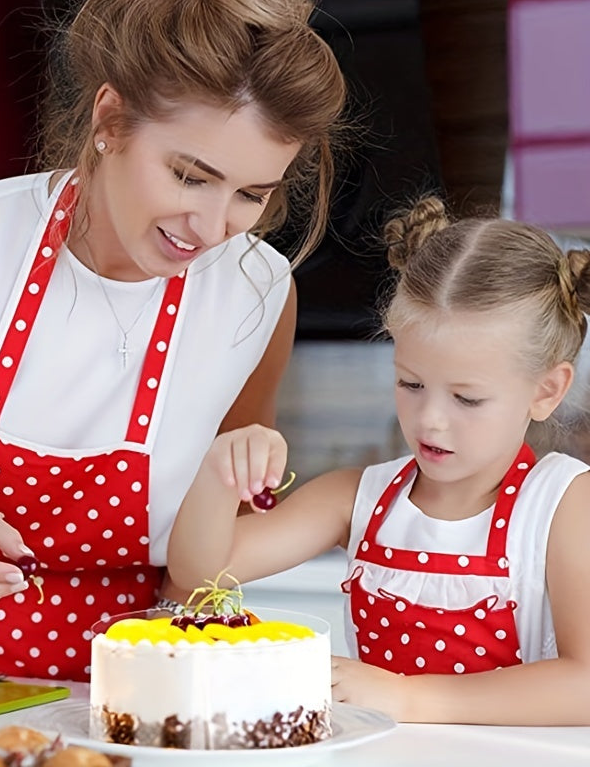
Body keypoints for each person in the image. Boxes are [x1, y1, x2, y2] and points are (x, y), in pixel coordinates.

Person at [0, 0, 346, 682]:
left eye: (251, 194)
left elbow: (216, 553)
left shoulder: (257, 293)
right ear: (109, 121)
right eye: (189, 176)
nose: (214, 226)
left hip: (127, 703)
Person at [168, 197, 590, 725]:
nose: (430, 420)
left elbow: (585, 683)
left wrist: (410, 697)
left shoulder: (564, 504)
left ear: (546, 391)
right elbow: (201, 570)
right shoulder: (359, 497)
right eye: (410, 384)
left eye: (467, 399)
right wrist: (219, 470)